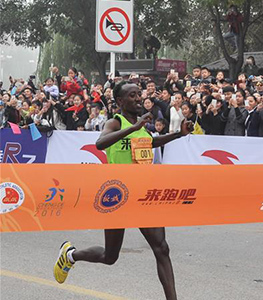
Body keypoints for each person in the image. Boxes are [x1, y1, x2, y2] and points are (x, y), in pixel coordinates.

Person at [53, 81, 193, 300]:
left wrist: (178, 134)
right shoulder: (115, 123)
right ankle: (71, 255)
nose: (139, 98)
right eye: (133, 96)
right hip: (117, 195)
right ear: (120, 101)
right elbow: (100, 144)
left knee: (162, 248)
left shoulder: (142, 125)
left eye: (139, 94)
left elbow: (150, 144)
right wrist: (133, 128)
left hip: (143, 193)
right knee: (110, 256)